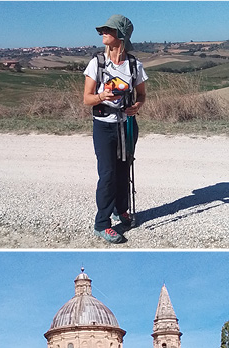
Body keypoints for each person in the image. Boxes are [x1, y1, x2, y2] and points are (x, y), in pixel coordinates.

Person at [83, 14, 148, 244]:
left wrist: (136, 107)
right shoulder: (97, 63)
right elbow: (87, 99)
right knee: (108, 175)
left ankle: (121, 209)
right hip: (103, 126)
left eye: (108, 30)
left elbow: (141, 95)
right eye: (102, 30)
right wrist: (102, 95)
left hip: (127, 125)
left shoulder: (134, 65)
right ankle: (102, 224)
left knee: (123, 171)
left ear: (120, 35)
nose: (103, 33)